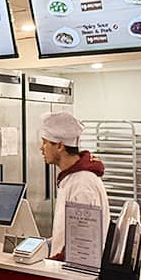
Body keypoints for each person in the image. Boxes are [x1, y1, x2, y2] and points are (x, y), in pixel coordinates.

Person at [37, 111, 110, 262]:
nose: (41, 148)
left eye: (45, 142)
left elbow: (82, 244)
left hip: (72, 271)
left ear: (59, 146)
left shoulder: (81, 185)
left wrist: (54, 261)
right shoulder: (72, 178)